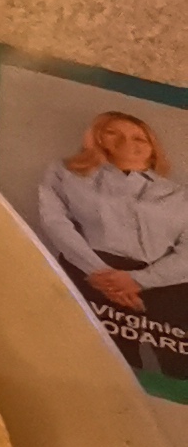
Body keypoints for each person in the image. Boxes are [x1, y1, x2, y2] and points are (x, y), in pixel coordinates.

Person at [32, 108, 188, 379]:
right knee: (98, 361)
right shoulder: (66, 174)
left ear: (153, 148)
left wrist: (139, 280)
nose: (127, 143)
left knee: (178, 368)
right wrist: (99, 273)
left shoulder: (180, 195)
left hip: (165, 281)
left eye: (139, 138)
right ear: (97, 138)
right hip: (90, 273)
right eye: (113, 133)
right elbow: (56, 223)